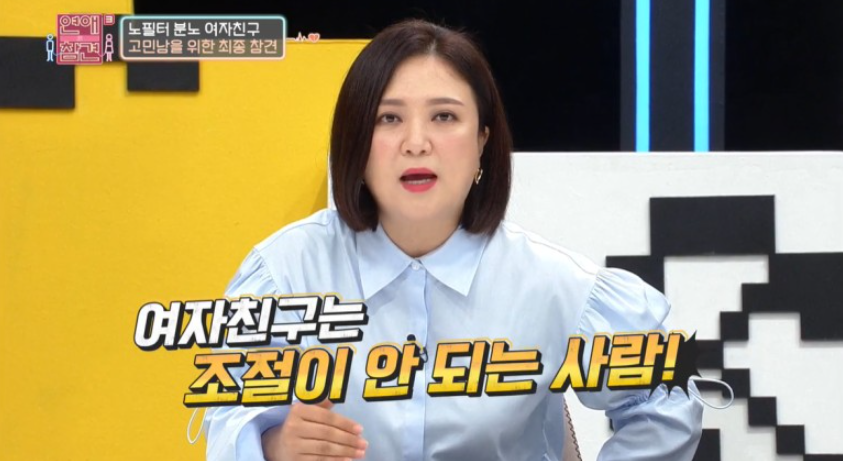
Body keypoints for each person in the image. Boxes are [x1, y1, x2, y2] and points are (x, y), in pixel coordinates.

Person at [204, 19, 703, 461]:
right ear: (355, 140)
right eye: (389, 118)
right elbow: (225, 418)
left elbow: (664, 402)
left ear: (483, 139)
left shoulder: (552, 284)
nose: (416, 143)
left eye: (444, 117)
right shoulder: (285, 273)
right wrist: (272, 446)